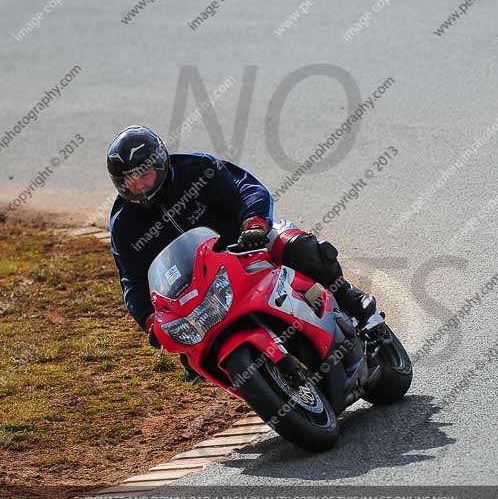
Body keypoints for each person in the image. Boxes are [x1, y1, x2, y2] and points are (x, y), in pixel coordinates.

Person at [108, 126, 376, 380]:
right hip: (197, 288)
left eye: (144, 176)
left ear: (160, 164)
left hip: (247, 246)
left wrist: (254, 223)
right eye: (130, 181)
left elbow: (245, 188)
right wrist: (149, 318)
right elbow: (132, 280)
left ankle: (350, 298)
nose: (139, 187)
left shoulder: (197, 169)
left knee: (298, 247)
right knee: (192, 357)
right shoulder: (124, 224)